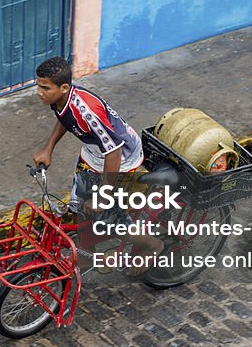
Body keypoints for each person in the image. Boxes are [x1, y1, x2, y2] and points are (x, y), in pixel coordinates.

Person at [31, 57, 165, 270]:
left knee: (110, 217)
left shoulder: (87, 111)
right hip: (94, 153)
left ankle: (153, 245)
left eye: (44, 88)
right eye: (38, 86)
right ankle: (87, 254)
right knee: (81, 204)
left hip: (121, 158)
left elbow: (114, 151)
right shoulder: (58, 100)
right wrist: (48, 149)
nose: (39, 92)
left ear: (64, 87)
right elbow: (65, 119)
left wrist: (104, 196)